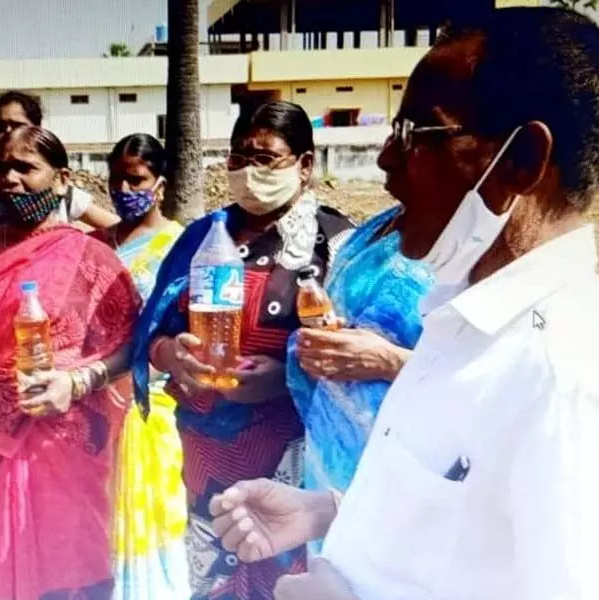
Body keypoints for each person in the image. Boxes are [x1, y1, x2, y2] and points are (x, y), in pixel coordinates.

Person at [210, 7, 599, 600]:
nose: (386, 160)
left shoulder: (567, 375)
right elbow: (467, 525)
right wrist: (329, 512)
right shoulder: (463, 317)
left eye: (417, 134)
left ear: (520, 162)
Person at [132, 101, 354, 599]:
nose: (249, 170)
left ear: (304, 164)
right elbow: (152, 331)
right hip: (205, 462)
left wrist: (283, 377)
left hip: (294, 463)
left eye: (266, 158)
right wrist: (172, 355)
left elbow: (360, 361)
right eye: (238, 157)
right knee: (212, 581)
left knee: (286, 584)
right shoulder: (202, 237)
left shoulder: (335, 245)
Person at [0, 125, 140, 599]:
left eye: (26, 167)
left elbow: (131, 346)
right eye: (3, 168)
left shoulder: (93, 255)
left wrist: (77, 383)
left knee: (71, 573)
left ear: (61, 180)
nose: (10, 178)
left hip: (66, 442)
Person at [285, 184, 434, 520]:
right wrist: (319, 349)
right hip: (331, 461)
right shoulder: (373, 230)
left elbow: (494, 375)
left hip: (406, 473)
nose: (388, 154)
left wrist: (390, 362)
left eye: (412, 134)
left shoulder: (482, 248)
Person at [94, 134, 190, 599]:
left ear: (161, 183)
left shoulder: (177, 244)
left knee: (143, 511)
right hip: (88, 400)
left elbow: (175, 325)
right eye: (116, 178)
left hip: (147, 402)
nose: (125, 187)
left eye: (137, 179)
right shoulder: (94, 244)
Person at [0, 89, 118, 229]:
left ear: (38, 132)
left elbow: (118, 228)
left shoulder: (61, 194)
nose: (8, 133)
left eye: (18, 125)